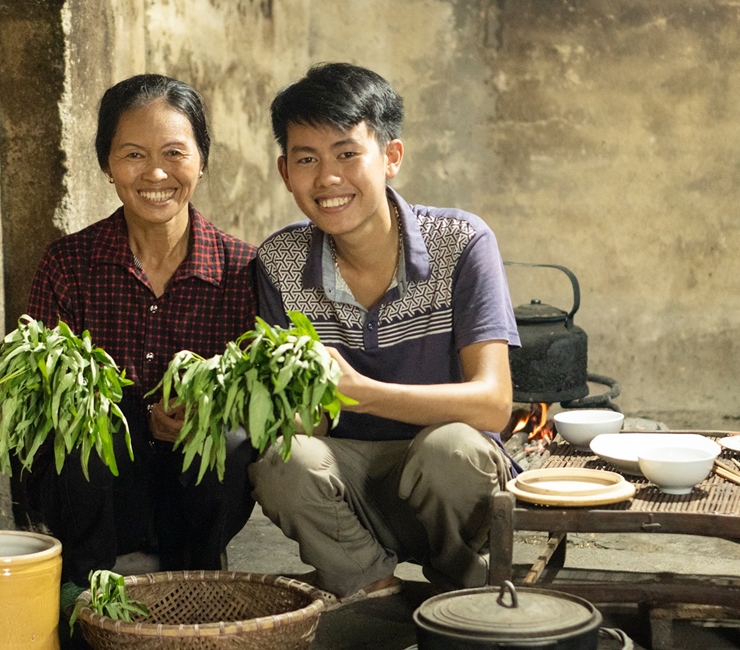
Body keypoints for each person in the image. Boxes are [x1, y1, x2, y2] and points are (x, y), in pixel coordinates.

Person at [250, 62, 521, 609]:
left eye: (347, 154)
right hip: (347, 484)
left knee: (452, 449)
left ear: (391, 157)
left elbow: (494, 406)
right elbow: (302, 421)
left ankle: (461, 585)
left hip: (448, 482)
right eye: (307, 159)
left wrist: (364, 392)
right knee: (281, 457)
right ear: (285, 172)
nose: (327, 178)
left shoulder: (461, 241)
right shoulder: (279, 261)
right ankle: (372, 588)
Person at [24, 74, 258, 601]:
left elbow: (255, 393)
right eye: (133, 153)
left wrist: (209, 412)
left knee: (231, 441)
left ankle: (197, 575)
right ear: (107, 164)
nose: (155, 172)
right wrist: (134, 416)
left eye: (175, 152)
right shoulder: (68, 265)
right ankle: (86, 590)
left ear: (202, 159)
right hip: (97, 494)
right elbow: (38, 399)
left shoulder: (242, 269)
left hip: (192, 491)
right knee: (81, 424)